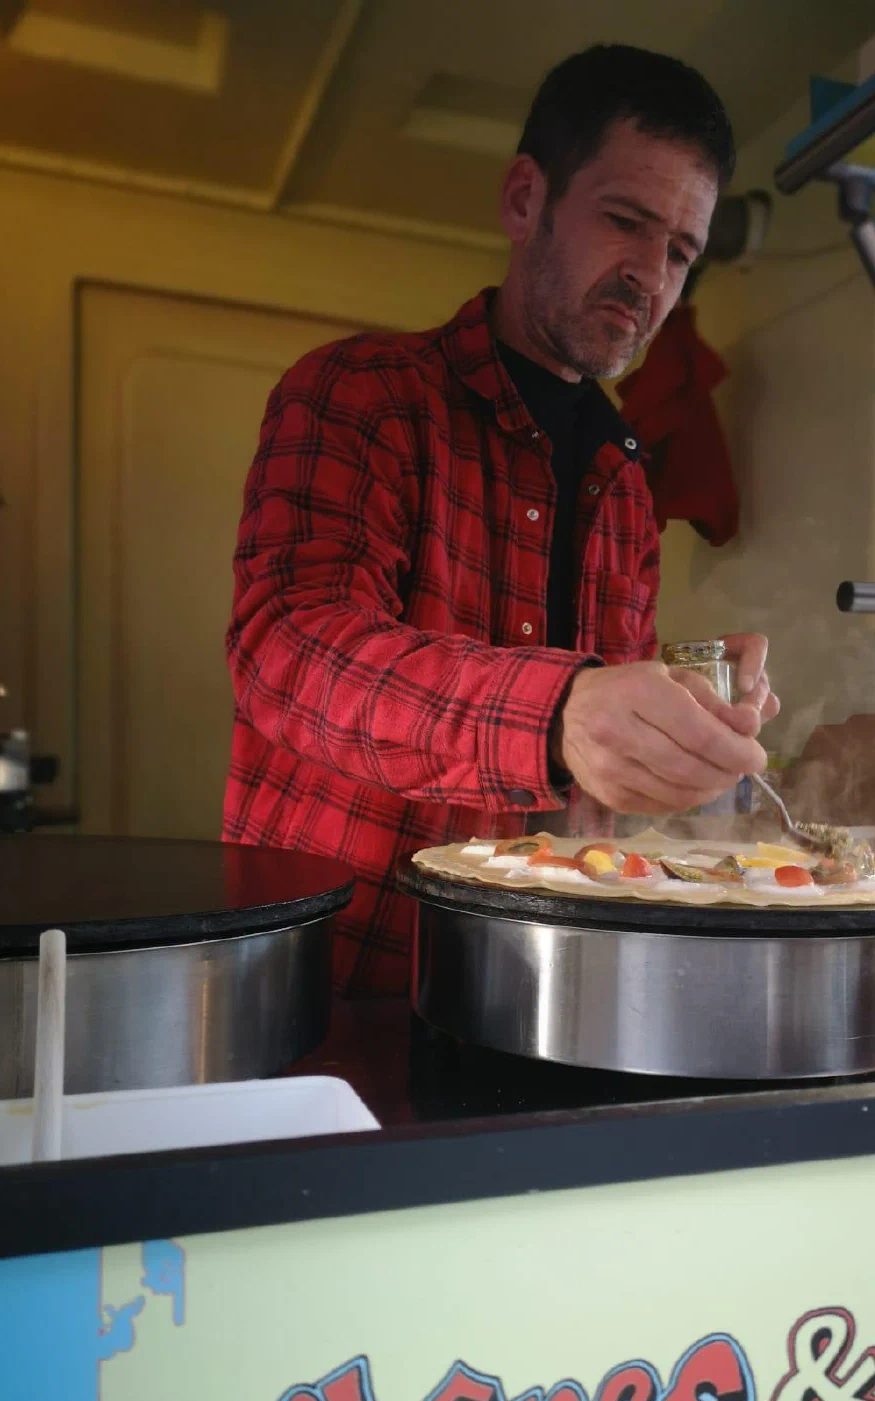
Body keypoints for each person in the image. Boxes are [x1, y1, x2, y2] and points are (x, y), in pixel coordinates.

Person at [224, 44, 780, 997]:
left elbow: (593, 782)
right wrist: (561, 712)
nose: (650, 276)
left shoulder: (627, 486)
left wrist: (671, 723)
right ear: (526, 199)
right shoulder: (360, 393)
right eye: (625, 221)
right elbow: (287, 650)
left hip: (538, 988)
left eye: (681, 252)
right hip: (328, 982)